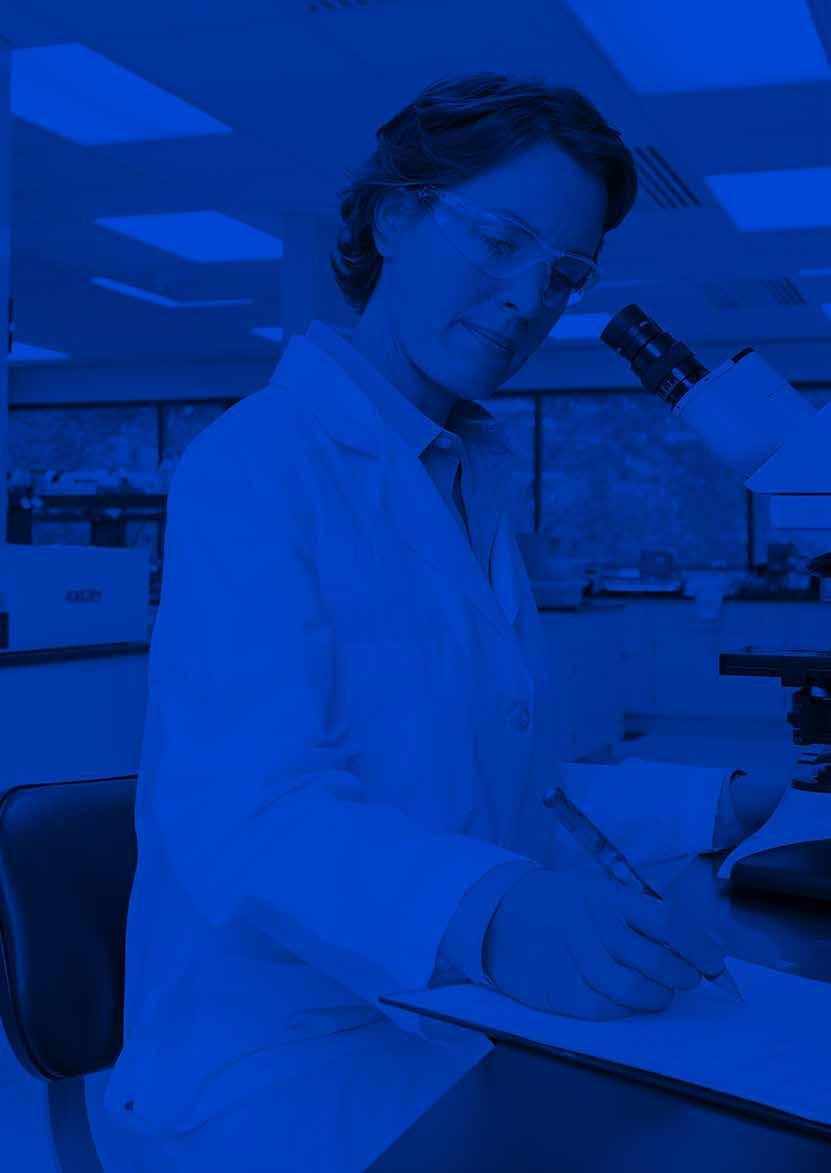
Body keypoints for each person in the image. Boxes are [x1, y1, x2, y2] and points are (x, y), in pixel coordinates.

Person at [101, 73, 787, 1171]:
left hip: (441, 1019)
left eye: (562, 275)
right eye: (501, 241)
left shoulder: (460, 476)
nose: (526, 300)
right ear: (394, 215)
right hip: (278, 1060)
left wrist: (729, 802)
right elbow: (247, 807)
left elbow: (506, 783)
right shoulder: (257, 463)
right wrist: (493, 913)